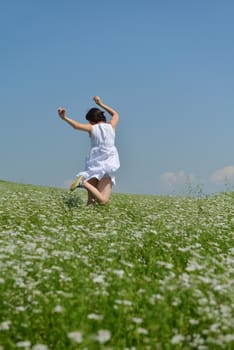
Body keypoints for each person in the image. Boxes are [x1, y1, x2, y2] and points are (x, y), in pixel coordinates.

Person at [57, 96, 120, 205]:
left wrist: (64, 118)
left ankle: (83, 182)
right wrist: (100, 103)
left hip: (94, 166)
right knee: (102, 201)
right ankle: (83, 182)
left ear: (91, 121)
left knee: (91, 203)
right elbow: (115, 114)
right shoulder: (111, 126)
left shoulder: (92, 128)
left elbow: (76, 126)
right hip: (108, 166)